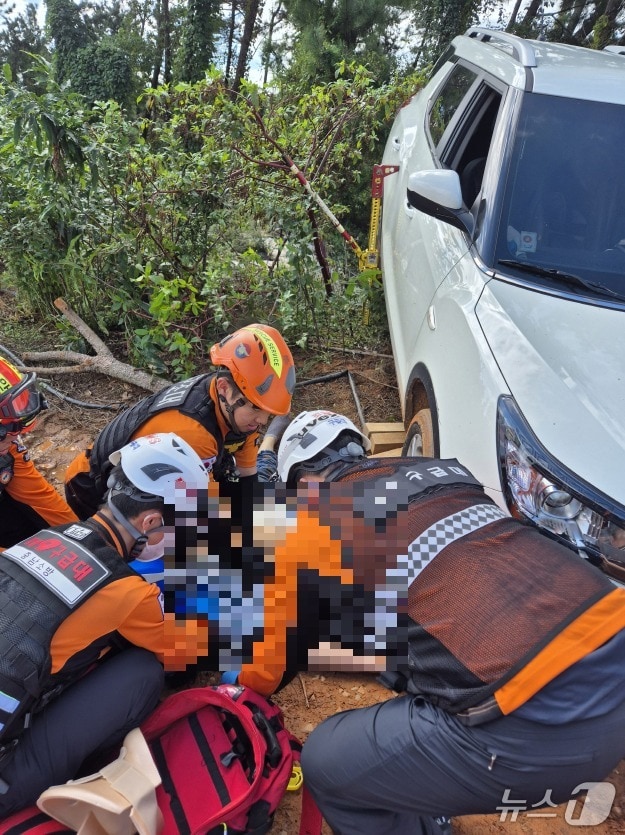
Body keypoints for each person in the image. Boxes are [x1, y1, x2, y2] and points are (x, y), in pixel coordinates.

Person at [200, 409, 625, 834]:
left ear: (305, 483)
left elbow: (264, 668)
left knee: (327, 764)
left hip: (542, 727)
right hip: (614, 644)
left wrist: (239, 681)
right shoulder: (445, 473)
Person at [0, 432, 208, 816]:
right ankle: (86, 770)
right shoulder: (128, 592)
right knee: (143, 671)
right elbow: (181, 651)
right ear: (150, 520)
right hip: (5, 772)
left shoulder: (38, 539)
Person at [64, 323, 296, 519]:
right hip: (92, 485)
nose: (262, 421)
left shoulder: (238, 405)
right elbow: (206, 512)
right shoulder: (192, 433)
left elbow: (248, 476)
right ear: (225, 389)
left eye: (268, 413)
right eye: (257, 409)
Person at [0, 356, 78, 550]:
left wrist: (81, 540)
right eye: (4, 432)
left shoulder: (7, 447)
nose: (14, 437)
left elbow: (39, 497)